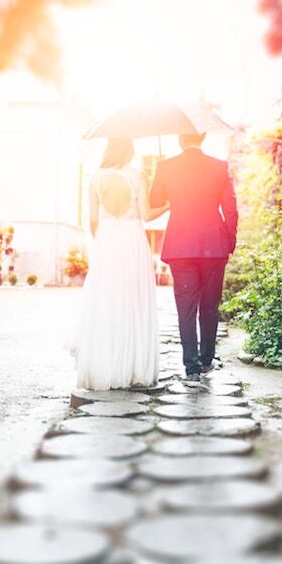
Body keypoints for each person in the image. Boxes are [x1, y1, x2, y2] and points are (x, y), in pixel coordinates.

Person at [68, 137, 167, 390]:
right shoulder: (138, 176)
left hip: (107, 240)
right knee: (133, 297)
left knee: (106, 298)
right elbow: (146, 215)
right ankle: (133, 367)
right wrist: (167, 205)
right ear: (129, 151)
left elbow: (92, 220)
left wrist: (102, 244)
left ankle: (104, 365)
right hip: (133, 239)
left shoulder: (95, 178)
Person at [150, 132, 238, 380]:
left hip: (180, 246)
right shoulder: (220, 167)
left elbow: (154, 201)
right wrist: (229, 242)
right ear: (202, 138)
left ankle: (191, 367)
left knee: (185, 307)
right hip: (214, 246)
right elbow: (231, 209)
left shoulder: (165, 166)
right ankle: (207, 359)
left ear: (180, 139)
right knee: (209, 306)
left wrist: (162, 176)